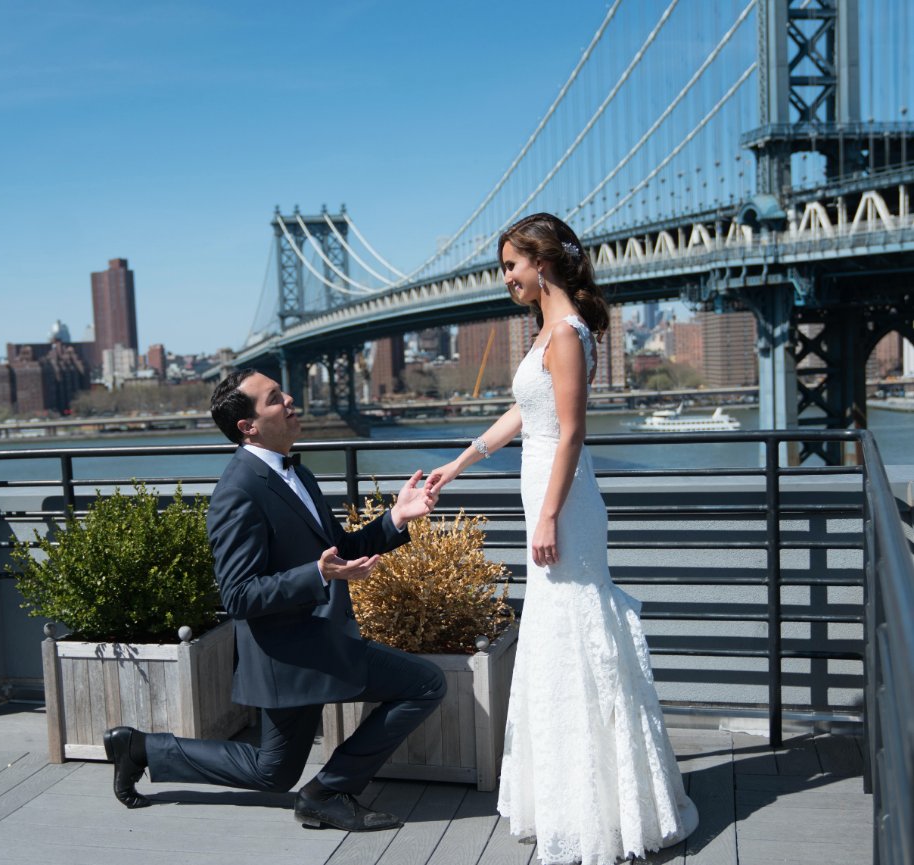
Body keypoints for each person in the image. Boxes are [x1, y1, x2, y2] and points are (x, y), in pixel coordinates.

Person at [427, 213, 698, 865]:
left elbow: (572, 430)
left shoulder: (570, 331)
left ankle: (603, 807)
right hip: (547, 495)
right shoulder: (549, 330)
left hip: (564, 503)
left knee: (579, 632)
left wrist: (548, 516)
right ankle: (569, 799)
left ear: (541, 261)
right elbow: (527, 412)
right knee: (555, 636)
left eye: (510, 266)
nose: (506, 279)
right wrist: (459, 462)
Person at [104, 370, 446, 832]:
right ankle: (327, 792)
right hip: (290, 657)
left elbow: (339, 548)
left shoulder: (296, 472)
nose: (289, 399)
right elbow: (239, 595)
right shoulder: (237, 491)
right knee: (424, 684)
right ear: (248, 426)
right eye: (273, 398)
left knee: (273, 772)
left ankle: (140, 748)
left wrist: (396, 518)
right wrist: (317, 574)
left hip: (316, 643)